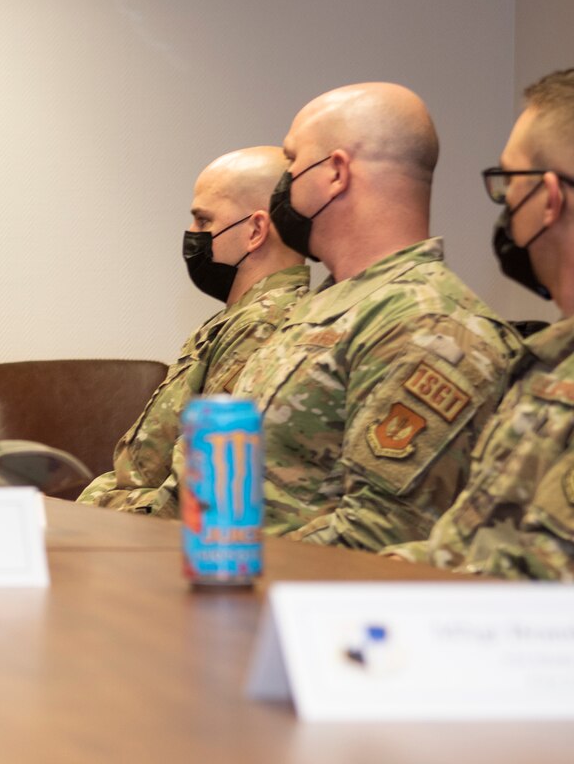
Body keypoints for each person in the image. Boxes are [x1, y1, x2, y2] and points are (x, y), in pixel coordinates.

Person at [217, 82, 519, 549]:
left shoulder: (428, 325)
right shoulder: (329, 303)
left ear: (336, 173)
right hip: (236, 585)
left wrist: (227, 564)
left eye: (293, 163)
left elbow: (378, 533)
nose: (284, 182)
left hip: (299, 603)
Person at [389, 69, 574, 577]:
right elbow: (467, 545)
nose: (506, 205)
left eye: (510, 182)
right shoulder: (548, 360)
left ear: (550, 198)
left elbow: (533, 586)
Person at [79, 147, 309, 516]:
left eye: (203, 222)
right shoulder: (238, 318)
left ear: (255, 231)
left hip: (164, 542)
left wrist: (95, 513)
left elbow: (199, 492)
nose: (191, 234)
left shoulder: (263, 326)